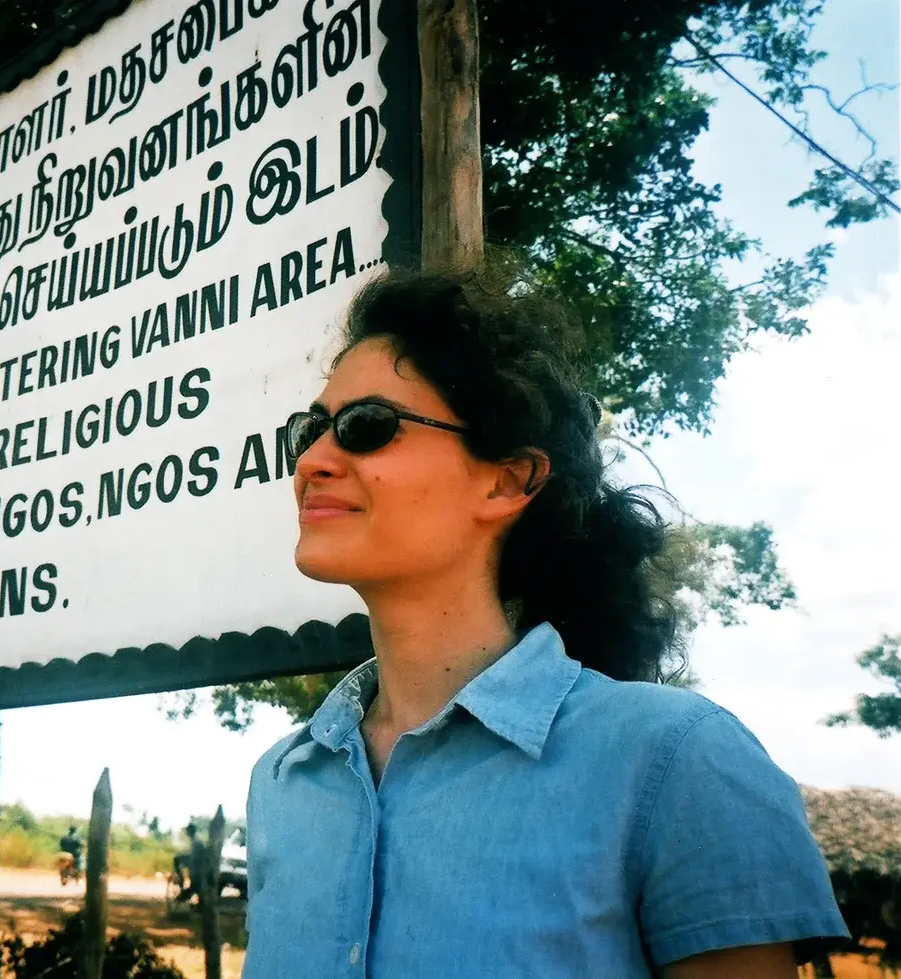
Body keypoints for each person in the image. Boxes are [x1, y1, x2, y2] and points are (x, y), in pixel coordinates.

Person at [243, 261, 848, 978]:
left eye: (366, 426)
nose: (312, 458)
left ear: (508, 479)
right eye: (310, 428)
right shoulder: (285, 779)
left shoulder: (674, 760)